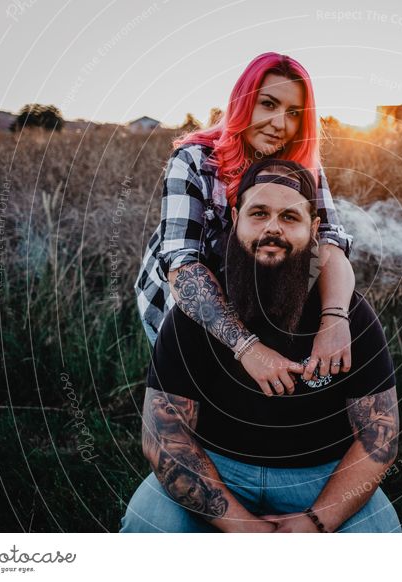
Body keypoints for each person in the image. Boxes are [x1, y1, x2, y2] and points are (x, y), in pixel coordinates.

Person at [120, 159, 401, 533]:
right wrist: (244, 528)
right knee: (149, 524)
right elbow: (165, 439)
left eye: (289, 217)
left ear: (314, 229)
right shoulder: (199, 311)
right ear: (235, 219)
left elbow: (379, 439)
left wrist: (316, 522)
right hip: (217, 468)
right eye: (259, 213)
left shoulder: (347, 317)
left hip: (319, 475)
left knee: (379, 540)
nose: (272, 227)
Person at [134, 52, 355, 395]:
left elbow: (330, 244)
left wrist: (335, 320)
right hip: (186, 307)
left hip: (259, 300)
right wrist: (248, 347)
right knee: (200, 396)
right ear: (244, 102)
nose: (280, 123)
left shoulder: (303, 166)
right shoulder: (194, 160)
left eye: (293, 113)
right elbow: (182, 264)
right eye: (268, 104)